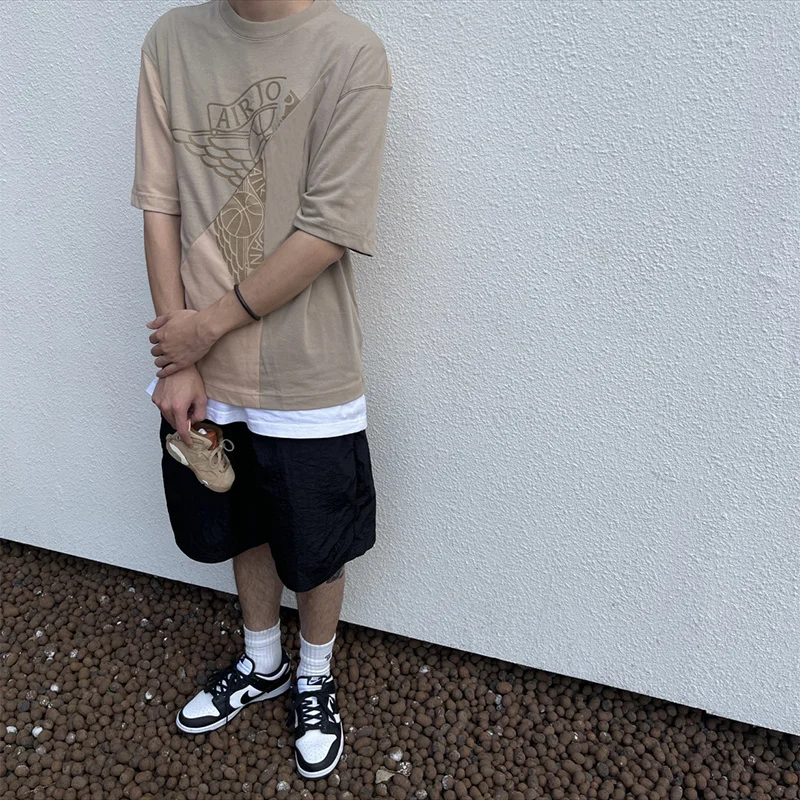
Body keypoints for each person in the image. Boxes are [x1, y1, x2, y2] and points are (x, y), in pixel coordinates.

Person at [130, 0, 393, 780]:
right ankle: (263, 660)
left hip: (306, 368)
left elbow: (330, 227)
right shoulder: (171, 40)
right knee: (238, 520)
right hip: (202, 369)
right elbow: (160, 204)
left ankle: (315, 674)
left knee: (317, 544)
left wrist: (202, 330)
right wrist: (180, 359)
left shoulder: (350, 52)